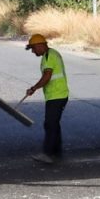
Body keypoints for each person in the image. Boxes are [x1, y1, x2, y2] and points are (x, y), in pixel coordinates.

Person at [25, 34, 69, 164]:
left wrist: (34, 88)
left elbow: (47, 76)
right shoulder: (50, 54)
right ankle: (56, 151)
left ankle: (48, 154)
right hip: (56, 95)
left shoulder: (49, 56)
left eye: (33, 48)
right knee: (53, 124)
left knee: (50, 124)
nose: (33, 52)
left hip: (57, 95)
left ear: (40, 45)